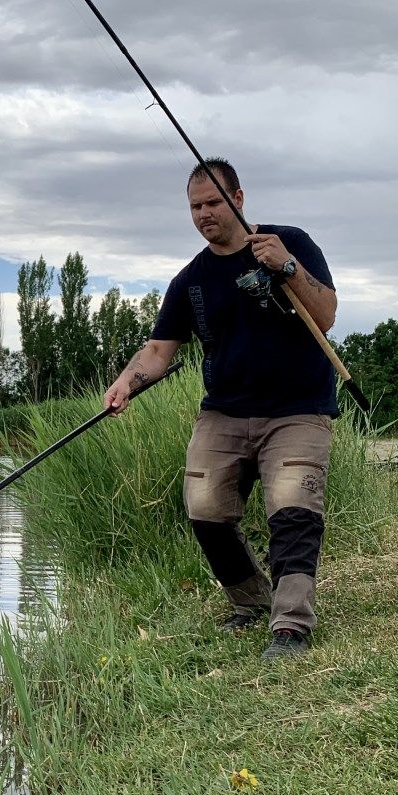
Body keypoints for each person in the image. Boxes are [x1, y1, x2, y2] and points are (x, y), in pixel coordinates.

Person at [103, 158, 338, 661]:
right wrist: (126, 382)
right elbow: (159, 352)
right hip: (225, 411)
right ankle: (251, 600)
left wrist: (287, 267)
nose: (204, 213)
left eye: (213, 202)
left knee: (293, 507)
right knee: (205, 508)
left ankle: (291, 626)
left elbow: (328, 316)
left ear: (239, 197)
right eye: (195, 206)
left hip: (299, 408)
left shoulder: (289, 241)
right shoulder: (190, 279)